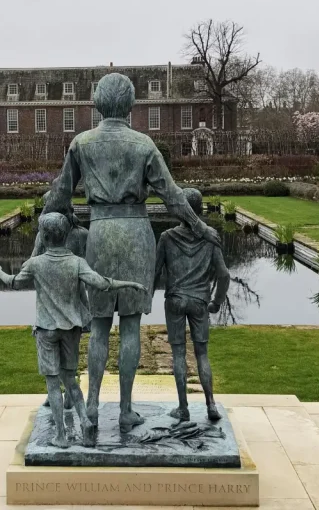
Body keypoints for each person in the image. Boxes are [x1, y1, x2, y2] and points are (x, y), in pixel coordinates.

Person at [42, 72, 220, 433]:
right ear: (131, 105)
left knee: (98, 325)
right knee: (131, 326)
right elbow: (173, 197)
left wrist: (49, 234)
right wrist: (201, 228)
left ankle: (91, 405)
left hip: (101, 233)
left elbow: (59, 197)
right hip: (137, 234)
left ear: (97, 104)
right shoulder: (143, 145)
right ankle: (124, 409)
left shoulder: (81, 143)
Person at [0, 213, 145, 448]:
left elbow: (14, 282)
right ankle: (85, 421)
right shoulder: (77, 263)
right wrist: (130, 283)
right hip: (71, 330)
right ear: (66, 235)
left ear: (43, 236)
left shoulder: (35, 264)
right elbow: (102, 283)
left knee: (53, 384)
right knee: (71, 380)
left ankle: (61, 436)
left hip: (46, 331)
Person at [154, 188, 230, 422]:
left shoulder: (167, 237)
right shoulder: (210, 236)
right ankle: (210, 404)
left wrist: (145, 299)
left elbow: (155, 273)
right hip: (199, 301)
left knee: (178, 354)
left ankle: (183, 407)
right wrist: (216, 302)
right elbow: (224, 275)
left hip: (175, 300)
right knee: (202, 353)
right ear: (199, 210)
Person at [32, 206, 90, 409]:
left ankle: (57, 393)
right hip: (74, 293)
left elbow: (32, 262)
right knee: (70, 353)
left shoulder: (48, 233)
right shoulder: (81, 233)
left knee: (53, 357)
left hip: (54, 299)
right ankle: (66, 393)